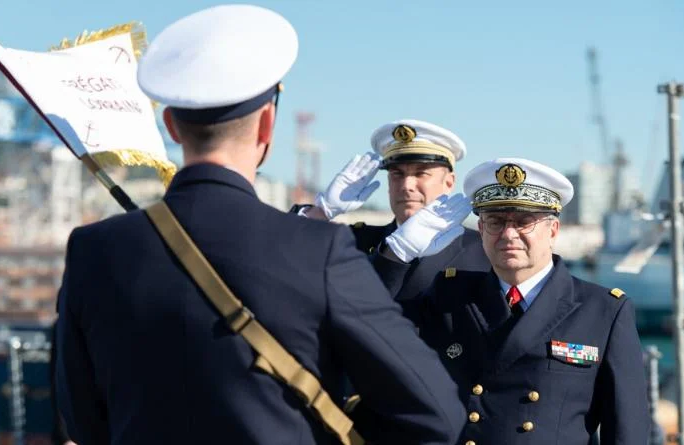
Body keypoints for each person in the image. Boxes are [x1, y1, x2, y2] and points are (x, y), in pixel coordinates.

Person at [55, 5, 466, 445]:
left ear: (172, 126)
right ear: (267, 125)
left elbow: (82, 420)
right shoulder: (317, 249)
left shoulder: (94, 249)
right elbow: (437, 413)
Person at [376, 157, 651, 444]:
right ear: (481, 230)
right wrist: (396, 255)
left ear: (553, 231)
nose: (509, 234)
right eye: (495, 222)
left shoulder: (602, 312)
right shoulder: (448, 295)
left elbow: (626, 431)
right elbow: (375, 332)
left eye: (523, 222)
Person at [293, 120, 490, 301]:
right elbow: (282, 267)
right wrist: (320, 212)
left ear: (449, 182)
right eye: (397, 174)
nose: (406, 185)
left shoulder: (483, 250)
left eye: (421, 173)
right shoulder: (354, 242)